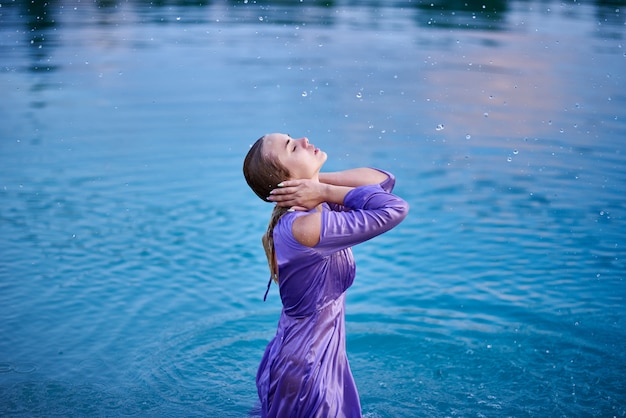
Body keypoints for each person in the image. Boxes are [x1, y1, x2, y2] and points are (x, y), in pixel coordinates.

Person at [243, 133, 409, 418]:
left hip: (311, 354)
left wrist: (316, 185)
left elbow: (384, 180)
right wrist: (325, 190)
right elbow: (395, 208)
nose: (305, 140)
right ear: (288, 178)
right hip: (308, 367)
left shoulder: (316, 207)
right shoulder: (306, 226)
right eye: (293, 147)